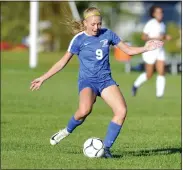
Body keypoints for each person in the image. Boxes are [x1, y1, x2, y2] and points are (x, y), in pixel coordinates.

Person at [30, 7, 163, 158]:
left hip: (106, 80)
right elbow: (62, 62)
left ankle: (105, 149)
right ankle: (66, 130)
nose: (96, 27)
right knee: (84, 111)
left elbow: (128, 50)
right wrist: (43, 78)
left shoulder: (108, 34)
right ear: (85, 23)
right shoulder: (79, 39)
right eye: (93, 24)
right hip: (88, 81)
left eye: (99, 24)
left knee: (121, 111)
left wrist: (146, 48)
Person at [132, 5, 171, 98]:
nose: (160, 14)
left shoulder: (162, 24)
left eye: (161, 12)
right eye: (158, 12)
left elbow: (162, 36)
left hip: (160, 50)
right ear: (153, 14)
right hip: (150, 51)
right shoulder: (150, 24)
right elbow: (143, 37)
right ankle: (135, 85)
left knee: (161, 71)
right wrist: (156, 38)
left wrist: (166, 37)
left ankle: (159, 95)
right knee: (149, 74)